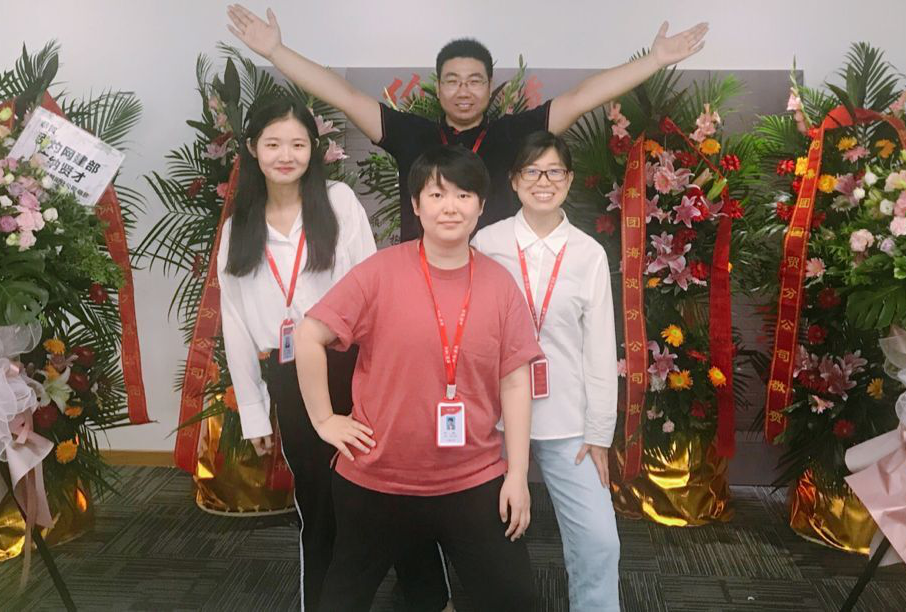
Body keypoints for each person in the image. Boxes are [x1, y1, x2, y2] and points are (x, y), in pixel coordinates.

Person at [216, 100, 445, 611]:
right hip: (289, 376)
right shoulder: (238, 228)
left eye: (298, 144)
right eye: (273, 144)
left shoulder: (338, 202)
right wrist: (253, 411)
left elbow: (375, 288)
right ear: (252, 149)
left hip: (354, 365)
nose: (286, 155)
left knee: (390, 487)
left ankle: (428, 596)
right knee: (319, 503)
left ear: (313, 149)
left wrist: (389, 376)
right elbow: (234, 323)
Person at [295, 146, 542, 612]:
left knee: (516, 599)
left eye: (463, 195)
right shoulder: (379, 273)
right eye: (436, 194)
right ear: (416, 205)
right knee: (342, 601)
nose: (450, 207)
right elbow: (309, 334)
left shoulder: (500, 285)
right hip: (377, 479)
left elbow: (515, 381)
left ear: (481, 206)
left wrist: (517, 474)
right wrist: (325, 420)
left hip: (472, 478)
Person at [226, 3, 708, 238]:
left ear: (490, 86)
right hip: (423, 276)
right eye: (452, 80)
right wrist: (276, 51)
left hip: (497, 276)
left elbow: (582, 97)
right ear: (438, 87)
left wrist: (654, 60)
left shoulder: (514, 134)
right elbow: (345, 95)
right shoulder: (411, 134)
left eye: (474, 80)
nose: (463, 90)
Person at [473, 131, 621, 611]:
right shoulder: (487, 243)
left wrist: (599, 433)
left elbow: (599, 349)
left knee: (600, 541)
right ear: (514, 181)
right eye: (532, 171)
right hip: (494, 417)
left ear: (569, 180)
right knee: (482, 532)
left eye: (554, 171)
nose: (544, 181)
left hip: (567, 422)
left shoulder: (588, 253)